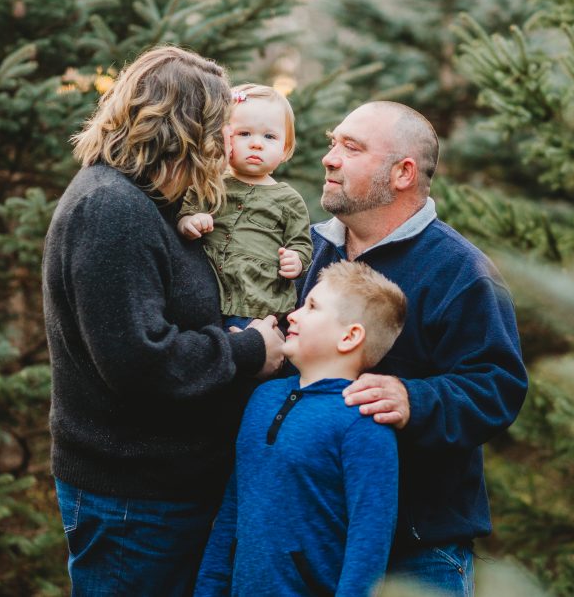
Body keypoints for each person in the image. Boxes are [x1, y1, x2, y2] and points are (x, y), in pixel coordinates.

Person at [42, 46, 285, 597]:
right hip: (134, 501)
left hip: (164, 490)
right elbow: (140, 360)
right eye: (221, 127)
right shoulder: (111, 209)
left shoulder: (154, 203)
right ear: (187, 129)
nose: (227, 142)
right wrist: (250, 350)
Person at [297, 101, 529, 595]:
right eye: (333, 142)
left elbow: (497, 387)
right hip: (309, 534)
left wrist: (414, 399)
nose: (329, 158)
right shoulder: (306, 252)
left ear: (402, 173)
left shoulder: (462, 272)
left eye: (351, 148)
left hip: (417, 551)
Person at [194, 261, 406, 597]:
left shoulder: (363, 422)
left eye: (312, 307)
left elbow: (369, 542)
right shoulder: (263, 398)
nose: (293, 315)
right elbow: (233, 509)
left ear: (350, 336)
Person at [177, 84, 312, 330]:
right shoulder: (211, 183)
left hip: (256, 306)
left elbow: (301, 244)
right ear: (224, 138)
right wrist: (189, 222)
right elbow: (186, 212)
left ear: (285, 149)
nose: (256, 144)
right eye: (244, 133)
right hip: (204, 297)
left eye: (269, 137)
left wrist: (297, 260)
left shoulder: (288, 200)